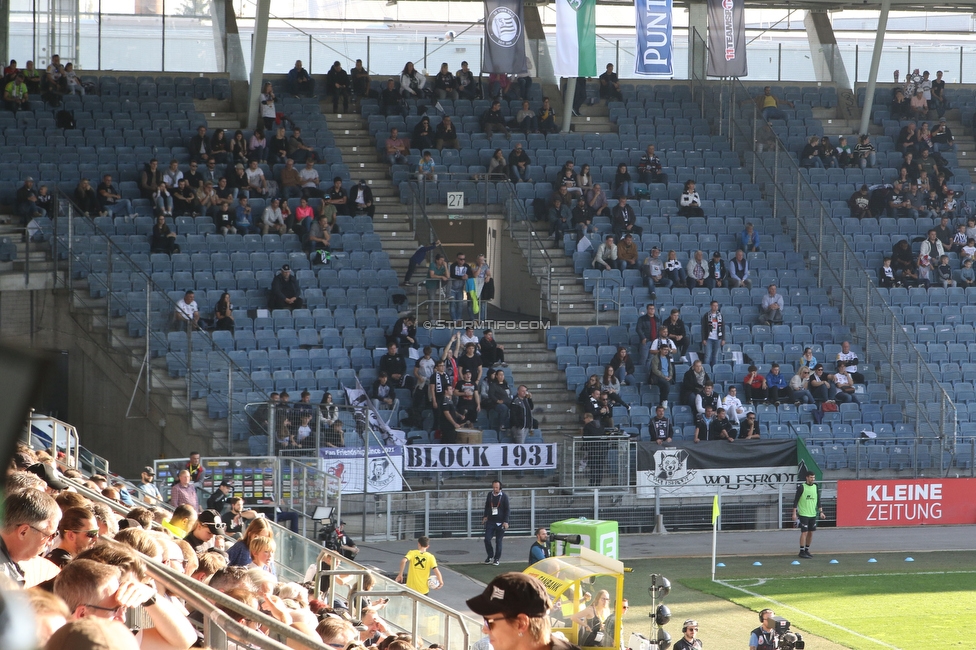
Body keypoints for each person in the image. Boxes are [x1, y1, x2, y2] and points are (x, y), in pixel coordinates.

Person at [792, 470, 825, 558]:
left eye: (813, 477)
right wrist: (794, 513)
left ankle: (807, 549)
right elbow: (796, 500)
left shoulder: (815, 487)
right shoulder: (802, 487)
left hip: (812, 514)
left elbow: (818, 500)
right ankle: (801, 551)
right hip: (803, 513)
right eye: (811, 477)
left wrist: (821, 512)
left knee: (811, 532)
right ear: (807, 477)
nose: (813, 479)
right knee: (804, 532)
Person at [482, 480, 509, 565]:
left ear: (500, 487)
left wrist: (506, 521)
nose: (495, 489)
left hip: (500, 522)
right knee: (487, 539)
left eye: (496, 487)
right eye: (493, 487)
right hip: (490, 521)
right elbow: (487, 506)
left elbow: (507, 509)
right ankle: (490, 555)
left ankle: (496, 558)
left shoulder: (504, 496)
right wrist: (485, 516)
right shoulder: (490, 495)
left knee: (498, 541)